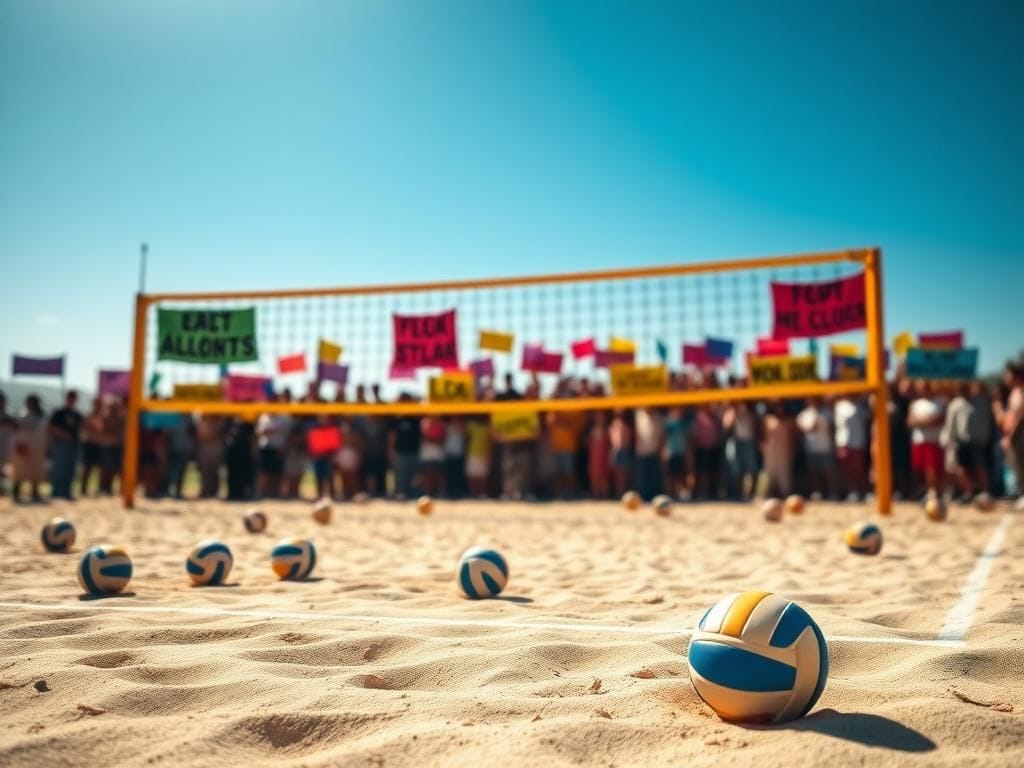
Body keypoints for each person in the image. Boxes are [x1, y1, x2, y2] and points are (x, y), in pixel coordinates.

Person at [908, 380, 945, 498]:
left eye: (926, 386)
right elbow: (910, 421)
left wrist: (921, 421)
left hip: (934, 440)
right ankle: (925, 491)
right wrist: (927, 420)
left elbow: (939, 419)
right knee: (920, 469)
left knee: (932, 468)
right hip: (919, 441)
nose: (924, 389)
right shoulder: (915, 404)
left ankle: (933, 492)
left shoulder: (940, 402)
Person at [796, 397, 836, 500]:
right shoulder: (803, 414)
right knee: (813, 471)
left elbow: (832, 428)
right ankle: (817, 492)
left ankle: (832, 493)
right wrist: (814, 415)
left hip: (825, 447)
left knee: (828, 471)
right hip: (810, 447)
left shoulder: (827, 412)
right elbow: (808, 429)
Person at [45, 390, 82, 500]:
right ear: (66, 398)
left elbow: (82, 427)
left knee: (70, 469)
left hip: (73, 444)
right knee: (59, 468)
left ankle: (66, 491)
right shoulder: (59, 412)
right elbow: (51, 427)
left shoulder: (77, 414)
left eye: (73, 398)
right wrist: (63, 435)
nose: (72, 400)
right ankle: (56, 491)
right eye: (70, 397)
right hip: (60, 444)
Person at [12, 394, 47, 503]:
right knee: (20, 471)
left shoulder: (41, 417)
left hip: (37, 447)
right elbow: (17, 430)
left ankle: (34, 492)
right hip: (23, 447)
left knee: (35, 471)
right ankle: (16, 493)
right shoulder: (22, 415)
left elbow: (43, 432)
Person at [834, 395, 870, 500]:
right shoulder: (840, 406)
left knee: (858, 469)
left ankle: (863, 491)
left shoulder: (861, 406)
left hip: (857, 442)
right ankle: (852, 491)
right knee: (846, 469)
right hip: (843, 442)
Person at [256, 400, 292, 498]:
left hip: (278, 448)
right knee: (264, 473)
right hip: (265, 448)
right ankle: (263, 494)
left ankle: (276, 494)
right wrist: (265, 431)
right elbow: (258, 433)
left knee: (277, 473)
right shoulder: (263, 417)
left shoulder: (285, 418)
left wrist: (284, 448)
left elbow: (289, 436)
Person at [723, 401, 758, 501]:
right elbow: (726, 426)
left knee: (752, 468)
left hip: (750, 441)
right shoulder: (731, 412)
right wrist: (733, 413)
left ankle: (751, 494)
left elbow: (756, 427)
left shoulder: (752, 411)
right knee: (737, 470)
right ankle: (739, 493)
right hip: (737, 442)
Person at [1000, 364, 1024, 502]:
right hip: (1012, 434)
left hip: (1020, 434)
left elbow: (1020, 417)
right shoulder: (1014, 392)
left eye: (1008, 374)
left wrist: (1011, 436)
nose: (1006, 377)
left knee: (1022, 463)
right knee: (1017, 464)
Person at [761, 401, 795, 498]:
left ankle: (786, 494)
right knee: (768, 473)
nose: (779, 409)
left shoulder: (789, 421)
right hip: (771, 450)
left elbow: (792, 438)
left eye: (781, 407)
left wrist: (792, 449)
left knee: (784, 474)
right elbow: (763, 435)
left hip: (784, 450)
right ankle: (765, 495)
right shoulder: (768, 420)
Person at [389, 400, 420, 499]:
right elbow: (392, 436)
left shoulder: (415, 420)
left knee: (412, 476)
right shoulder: (396, 420)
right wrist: (391, 449)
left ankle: (410, 494)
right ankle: (400, 493)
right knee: (400, 475)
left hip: (413, 452)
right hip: (400, 452)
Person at [691, 405, 722, 499]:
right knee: (700, 472)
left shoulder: (716, 418)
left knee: (713, 472)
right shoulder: (698, 418)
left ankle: (712, 493)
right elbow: (694, 435)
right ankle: (697, 493)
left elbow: (719, 433)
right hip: (701, 449)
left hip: (714, 449)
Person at [634, 407, 664, 500]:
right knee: (642, 477)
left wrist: (659, 450)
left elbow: (661, 435)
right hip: (641, 451)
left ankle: (654, 497)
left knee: (654, 477)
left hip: (654, 451)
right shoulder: (638, 415)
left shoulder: (658, 417)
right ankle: (643, 497)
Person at [98, 397, 125, 495]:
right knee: (106, 469)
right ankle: (104, 489)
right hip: (108, 446)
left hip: (116, 446)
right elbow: (104, 430)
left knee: (115, 470)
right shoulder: (106, 417)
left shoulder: (121, 418)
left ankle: (109, 489)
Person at [196, 413, 225, 498]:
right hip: (205, 449)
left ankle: (214, 491)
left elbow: (216, 434)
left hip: (216, 449)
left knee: (215, 471)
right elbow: (201, 435)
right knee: (204, 471)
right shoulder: (201, 420)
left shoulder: (219, 422)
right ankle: (205, 490)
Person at [79, 399, 104, 497]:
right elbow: (86, 427)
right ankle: (83, 488)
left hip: (99, 444)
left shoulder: (102, 416)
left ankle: (98, 488)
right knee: (87, 467)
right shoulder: (89, 415)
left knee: (99, 468)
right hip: (89, 443)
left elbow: (101, 429)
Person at [663, 407, 689, 500]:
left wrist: (688, 453)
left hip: (680, 452)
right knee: (670, 476)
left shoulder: (683, 424)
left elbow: (687, 439)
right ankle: (670, 495)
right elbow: (664, 438)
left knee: (680, 475)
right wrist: (664, 451)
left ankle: (679, 495)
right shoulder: (668, 424)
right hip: (671, 453)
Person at [608, 410, 634, 498]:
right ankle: (619, 493)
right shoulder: (613, 426)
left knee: (625, 474)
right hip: (616, 450)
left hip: (624, 450)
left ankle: (624, 493)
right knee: (617, 474)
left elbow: (628, 439)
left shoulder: (626, 426)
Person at [419, 414, 446, 498]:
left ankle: (440, 493)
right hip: (427, 453)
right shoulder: (424, 423)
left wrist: (431, 440)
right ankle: (427, 493)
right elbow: (423, 438)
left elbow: (441, 440)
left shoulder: (441, 424)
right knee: (427, 473)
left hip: (438, 453)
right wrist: (434, 440)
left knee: (439, 473)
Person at [587, 410, 611, 500]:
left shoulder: (607, 429)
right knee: (594, 475)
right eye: (598, 417)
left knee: (604, 476)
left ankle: (605, 496)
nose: (600, 419)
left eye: (601, 417)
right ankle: (595, 495)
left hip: (604, 456)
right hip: (594, 457)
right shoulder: (591, 430)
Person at [465, 415, 491, 498]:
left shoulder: (487, 426)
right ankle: (473, 493)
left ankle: (482, 493)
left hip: (484, 452)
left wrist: (489, 454)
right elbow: (467, 439)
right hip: (472, 452)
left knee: (482, 475)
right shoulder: (471, 425)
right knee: (472, 474)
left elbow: (490, 441)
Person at [443, 416, 467, 499]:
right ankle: (450, 491)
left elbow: (465, 437)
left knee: (459, 474)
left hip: (459, 453)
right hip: (449, 453)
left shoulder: (463, 425)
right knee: (450, 474)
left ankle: (458, 491)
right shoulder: (447, 425)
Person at [0, 392, 15, 497]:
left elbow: (17, 427)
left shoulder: (8, 416)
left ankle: (2, 490)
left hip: (5, 446)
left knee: (3, 469)